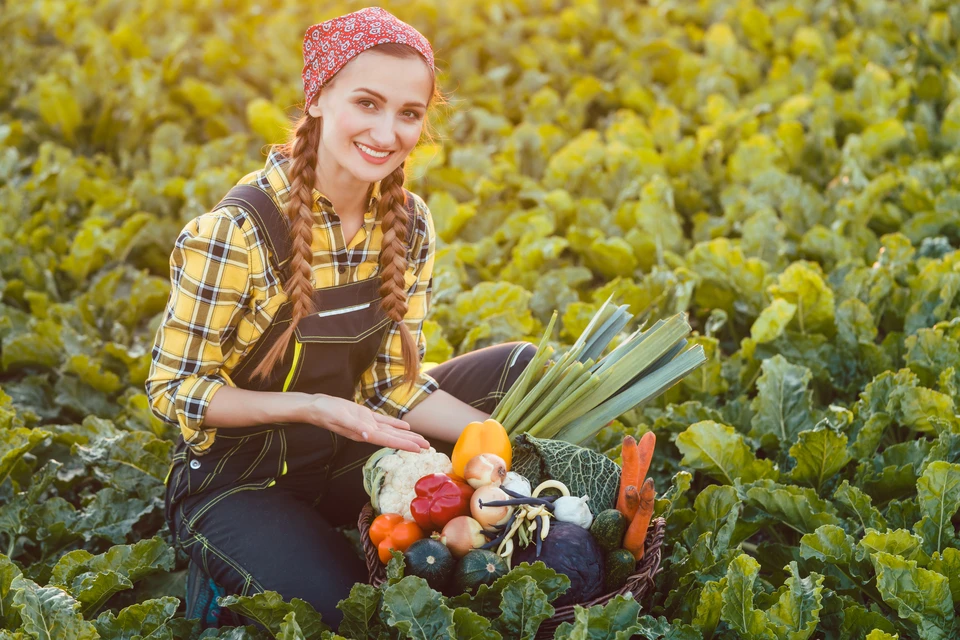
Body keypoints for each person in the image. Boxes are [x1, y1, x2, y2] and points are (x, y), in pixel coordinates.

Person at [145, 6, 536, 629]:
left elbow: (391, 388)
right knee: (355, 613)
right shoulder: (236, 233)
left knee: (523, 371)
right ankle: (227, 567)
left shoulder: (408, 225)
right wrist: (314, 406)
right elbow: (172, 391)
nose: (388, 132)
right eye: (367, 103)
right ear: (320, 96)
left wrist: (505, 448)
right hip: (239, 481)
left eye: (409, 113)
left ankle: (324, 528)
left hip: (351, 455)